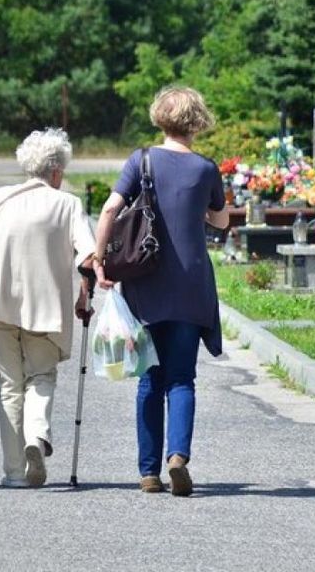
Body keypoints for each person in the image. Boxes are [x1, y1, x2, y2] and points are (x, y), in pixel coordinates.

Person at [93, 86, 229, 497]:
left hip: (145, 285)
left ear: (160, 118)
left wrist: (100, 260)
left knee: (149, 379)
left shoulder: (142, 160)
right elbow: (221, 222)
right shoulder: (206, 169)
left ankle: (149, 472)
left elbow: (110, 209)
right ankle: (178, 457)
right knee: (182, 378)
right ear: (197, 121)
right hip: (191, 286)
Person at [0, 128, 96, 488]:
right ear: (57, 171)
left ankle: (14, 472)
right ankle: (36, 435)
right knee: (41, 376)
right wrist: (84, 295)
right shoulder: (69, 204)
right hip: (46, 308)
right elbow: (88, 257)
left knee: (8, 386)